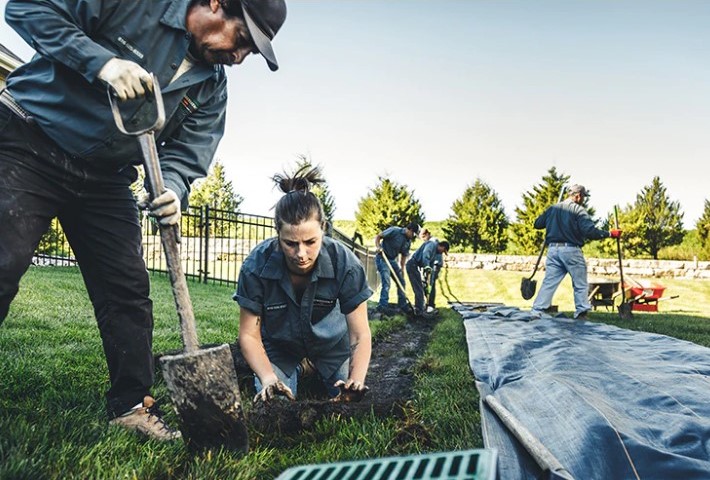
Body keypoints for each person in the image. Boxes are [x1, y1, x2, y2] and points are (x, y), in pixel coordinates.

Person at [0, 0, 287, 440]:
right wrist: (102, 63)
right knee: (4, 258)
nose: (239, 57)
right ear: (215, 4)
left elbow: (188, 154)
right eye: (243, 40)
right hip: (28, 136)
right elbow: (25, 9)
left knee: (128, 290)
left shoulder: (211, 87)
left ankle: (130, 404)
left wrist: (172, 187)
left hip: (104, 178)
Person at [235, 166, 372, 404]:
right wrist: (268, 378)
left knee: (350, 401)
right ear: (277, 233)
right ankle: (295, 368)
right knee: (276, 402)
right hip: (280, 348)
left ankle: (316, 367)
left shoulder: (346, 264)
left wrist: (356, 379)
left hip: (331, 347)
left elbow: (360, 334)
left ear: (323, 230)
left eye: (310, 242)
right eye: (290, 243)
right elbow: (249, 334)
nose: (301, 254)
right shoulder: (255, 266)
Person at [531, 184, 621, 319]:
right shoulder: (578, 210)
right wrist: (609, 234)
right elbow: (589, 231)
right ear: (578, 196)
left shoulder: (553, 209)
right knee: (580, 283)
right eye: (583, 197)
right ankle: (581, 312)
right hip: (570, 250)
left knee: (549, 282)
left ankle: (537, 311)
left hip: (553, 250)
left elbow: (537, 223)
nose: (584, 200)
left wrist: (551, 214)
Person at [374, 222, 419, 315]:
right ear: (410, 230)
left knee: (401, 282)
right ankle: (382, 306)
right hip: (382, 257)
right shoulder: (394, 230)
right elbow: (379, 236)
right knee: (386, 282)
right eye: (414, 234)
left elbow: (403, 255)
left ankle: (403, 305)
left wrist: (402, 269)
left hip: (392, 260)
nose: (414, 236)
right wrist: (378, 247)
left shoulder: (408, 242)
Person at [405, 238, 449, 319]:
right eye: (443, 251)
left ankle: (421, 309)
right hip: (412, 265)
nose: (442, 253)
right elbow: (425, 255)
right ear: (442, 246)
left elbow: (431, 269)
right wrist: (426, 266)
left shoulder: (435, 253)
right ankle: (419, 311)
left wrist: (430, 285)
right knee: (419, 289)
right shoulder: (431, 245)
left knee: (422, 288)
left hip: (416, 267)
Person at [419, 229, 444, 313]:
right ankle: (428, 303)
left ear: (427, 234)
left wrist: (430, 267)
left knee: (430, 284)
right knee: (427, 284)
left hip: (434, 265)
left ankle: (430, 304)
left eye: (423, 237)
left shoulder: (433, 241)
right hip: (431, 265)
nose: (422, 239)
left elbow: (431, 256)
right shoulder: (430, 242)